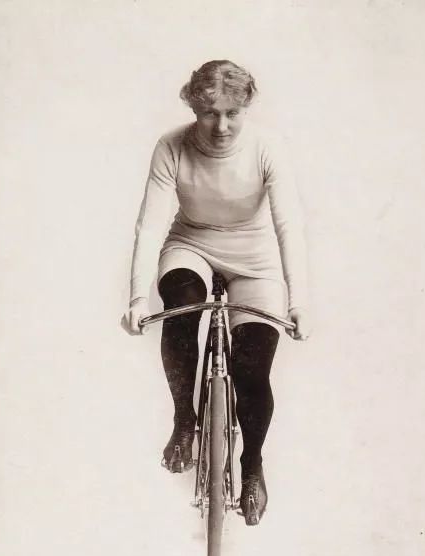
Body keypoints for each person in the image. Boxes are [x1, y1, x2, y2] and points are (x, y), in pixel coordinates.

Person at [124, 59, 311, 525]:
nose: (221, 126)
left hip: (255, 257)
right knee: (182, 304)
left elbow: (289, 225)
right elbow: (150, 225)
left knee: (253, 367)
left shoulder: (267, 147)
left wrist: (298, 301)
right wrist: (137, 297)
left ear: (247, 108)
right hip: (192, 244)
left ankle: (253, 466)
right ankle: (184, 421)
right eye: (210, 113)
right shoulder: (171, 146)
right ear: (194, 108)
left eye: (232, 113)